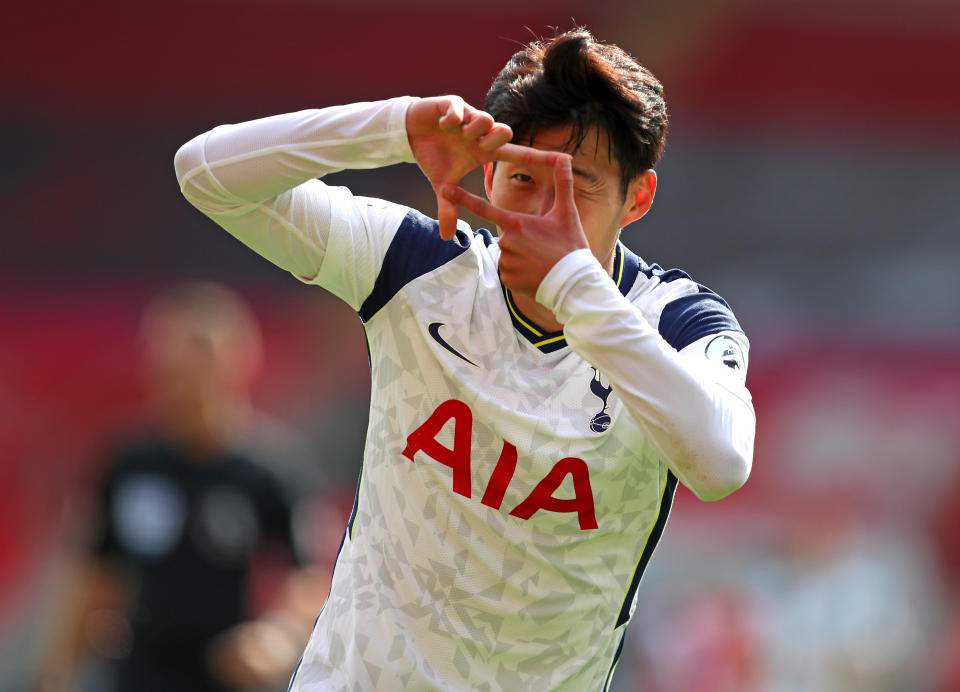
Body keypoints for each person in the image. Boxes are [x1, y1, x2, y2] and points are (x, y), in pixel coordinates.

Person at [174, 28, 755, 691]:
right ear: (489, 172)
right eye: (523, 179)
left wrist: (570, 283)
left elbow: (720, 463)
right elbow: (205, 175)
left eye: (575, 190)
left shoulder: (678, 323)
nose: (539, 214)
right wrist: (391, 128)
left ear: (638, 198)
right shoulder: (421, 266)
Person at [42, 283, 327, 692]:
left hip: (228, 677)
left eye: (193, 368)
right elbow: (92, 572)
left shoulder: (270, 472)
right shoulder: (130, 464)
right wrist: (56, 673)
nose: (178, 383)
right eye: (167, 366)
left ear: (234, 366)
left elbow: (309, 576)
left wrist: (277, 636)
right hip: (138, 674)